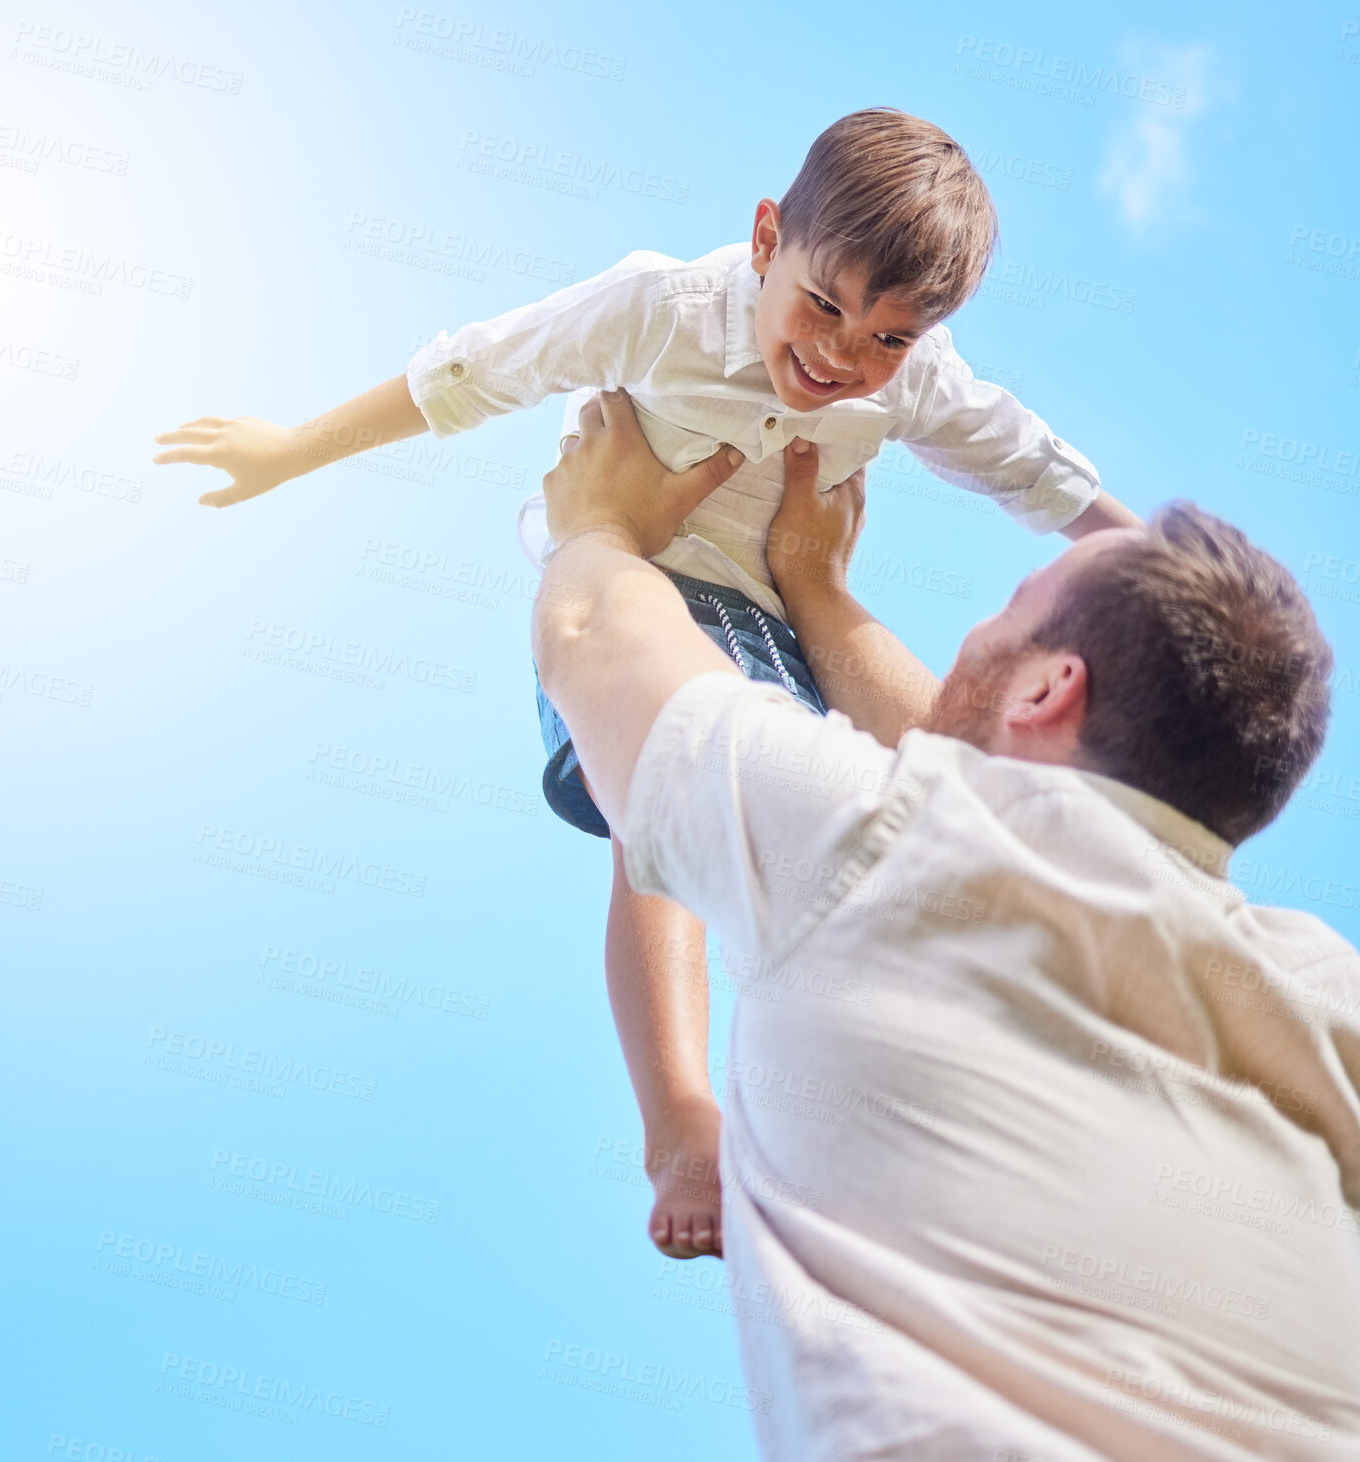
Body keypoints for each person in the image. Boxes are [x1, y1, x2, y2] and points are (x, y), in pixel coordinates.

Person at [152, 108, 1139, 1259]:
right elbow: (468, 373)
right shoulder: (655, 308)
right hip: (636, 591)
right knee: (659, 813)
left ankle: (944, 1085)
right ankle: (677, 1118)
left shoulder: (915, 384)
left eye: (885, 339)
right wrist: (286, 450)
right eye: (824, 305)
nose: (840, 357)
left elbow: (1031, 470)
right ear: (767, 237)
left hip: (787, 618)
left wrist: (1159, 561)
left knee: (905, 816)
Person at [530, 387, 1360, 1460]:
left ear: (1053, 684)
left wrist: (595, 523)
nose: (975, 629)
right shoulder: (1321, 986)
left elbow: (594, 631)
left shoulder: (872, 846)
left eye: (1007, 608)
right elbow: (968, 772)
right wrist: (817, 593)